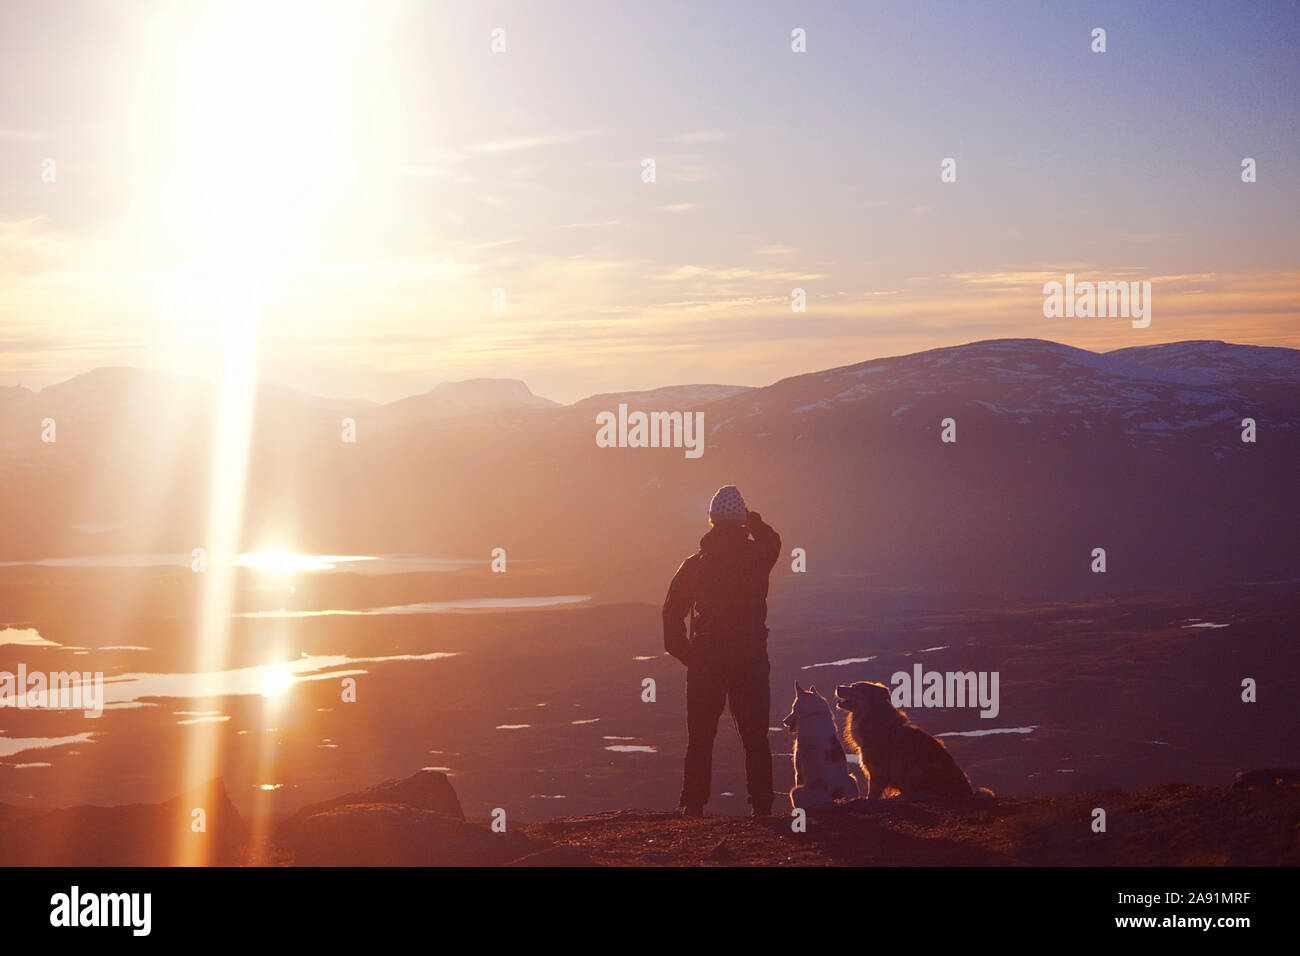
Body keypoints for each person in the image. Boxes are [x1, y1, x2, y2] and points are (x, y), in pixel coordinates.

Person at [662, 485, 781, 817]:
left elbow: (671, 614)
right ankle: (762, 807)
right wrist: (753, 520)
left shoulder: (695, 564)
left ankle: (693, 805)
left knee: (700, 736)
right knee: (756, 736)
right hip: (751, 659)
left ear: (712, 520)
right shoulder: (758, 557)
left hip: (707, 660)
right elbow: (773, 540)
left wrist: (690, 655)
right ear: (741, 520)